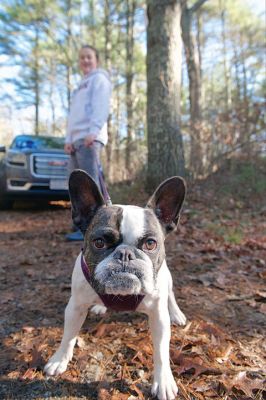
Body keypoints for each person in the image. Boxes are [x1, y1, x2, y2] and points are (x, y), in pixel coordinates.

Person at [64, 45, 112, 241]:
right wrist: (68, 139)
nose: (85, 60)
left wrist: (93, 132)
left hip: (89, 139)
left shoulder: (99, 79)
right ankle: (81, 225)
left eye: (89, 57)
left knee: (90, 184)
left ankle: (98, 228)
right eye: (82, 57)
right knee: (75, 186)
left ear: (96, 60)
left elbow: (101, 107)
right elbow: (73, 116)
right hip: (76, 141)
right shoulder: (80, 86)